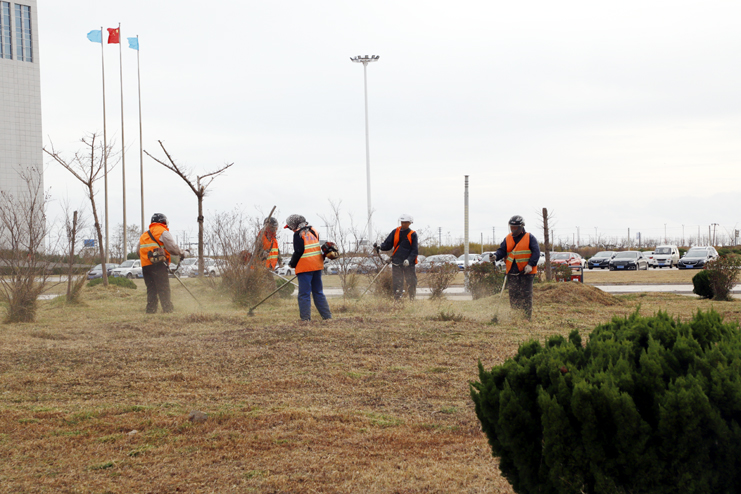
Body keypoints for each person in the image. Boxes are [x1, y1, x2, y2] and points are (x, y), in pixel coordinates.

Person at [138, 213, 188, 314]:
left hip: (146, 266)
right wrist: (183, 253)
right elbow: (173, 248)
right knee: (163, 288)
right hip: (158, 265)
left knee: (151, 289)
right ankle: (167, 309)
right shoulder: (163, 232)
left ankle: (151, 310)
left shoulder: (144, 235)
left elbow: (137, 251)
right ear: (163, 222)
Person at [492, 215, 540, 320]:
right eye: (511, 227)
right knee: (514, 295)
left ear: (521, 227)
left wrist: (530, 265)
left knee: (526, 295)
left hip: (527, 272)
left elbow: (536, 253)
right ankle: (516, 316)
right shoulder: (508, 238)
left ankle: (526, 317)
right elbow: (502, 250)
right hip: (512, 272)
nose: (513, 230)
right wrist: (495, 256)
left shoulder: (530, 238)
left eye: (515, 227)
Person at [285, 214, 332, 321]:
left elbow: (299, 251)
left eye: (290, 227)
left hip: (305, 268)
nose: (291, 229)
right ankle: (327, 317)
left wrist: (292, 264)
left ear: (294, 224)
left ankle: (305, 320)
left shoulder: (298, 234)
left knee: (304, 294)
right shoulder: (313, 231)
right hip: (317, 266)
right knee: (318, 292)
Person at [375, 214, 418, 301]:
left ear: (410, 223)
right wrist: (380, 246)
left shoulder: (413, 234)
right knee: (397, 282)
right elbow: (388, 244)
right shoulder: (395, 232)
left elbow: (414, 251)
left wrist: (409, 260)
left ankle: (412, 299)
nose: (403, 224)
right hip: (397, 261)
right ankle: (397, 300)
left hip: (409, 263)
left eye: (405, 222)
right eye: (402, 222)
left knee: (411, 281)